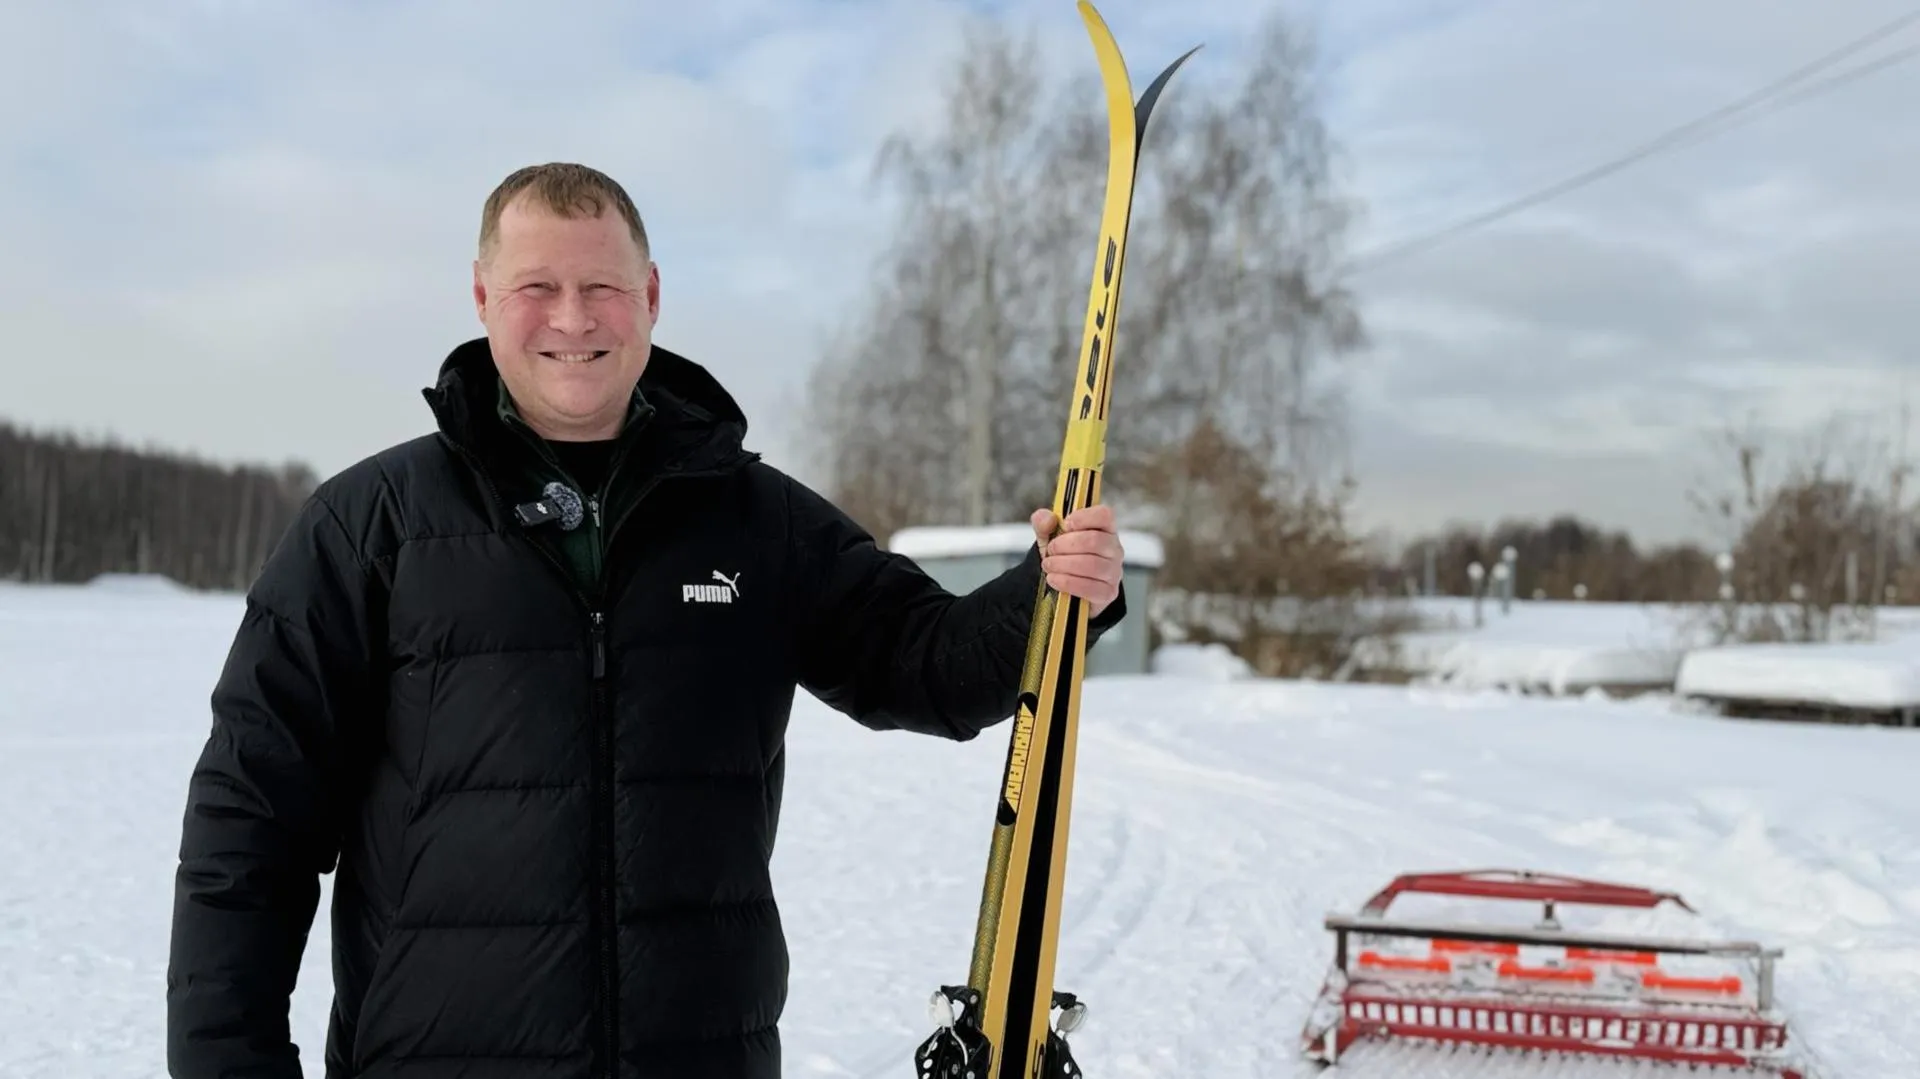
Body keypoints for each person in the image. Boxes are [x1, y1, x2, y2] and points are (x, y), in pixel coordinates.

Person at [165, 162, 1129, 1079]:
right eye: (536, 285)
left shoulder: (760, 521)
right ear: (481, 298)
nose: (574, 318)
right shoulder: (370, 526)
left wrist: (1050, 593)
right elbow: (252, 822)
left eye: (604, 287)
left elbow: (931, 666)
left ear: (653, 296)